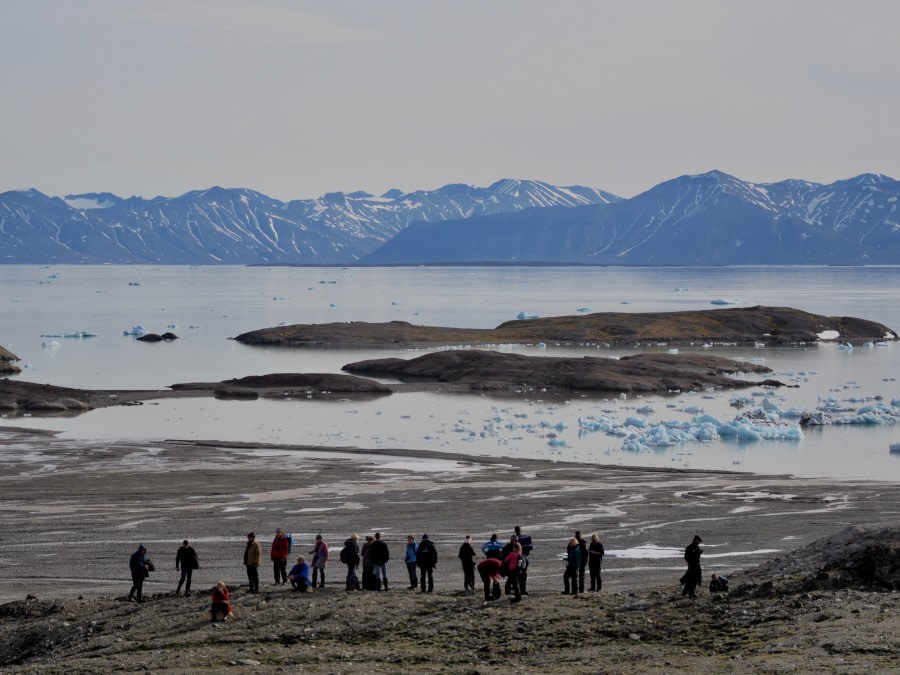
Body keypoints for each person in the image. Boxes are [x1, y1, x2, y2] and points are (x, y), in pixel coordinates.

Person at [514, 526, 533, 595]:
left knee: (517, 575)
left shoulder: (515, 539)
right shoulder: (525, 537)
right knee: (523, 574)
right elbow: (529, 547)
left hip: (517, 559)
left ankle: (516, 589)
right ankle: (523, 590)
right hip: (524, 557)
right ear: (520, 530)